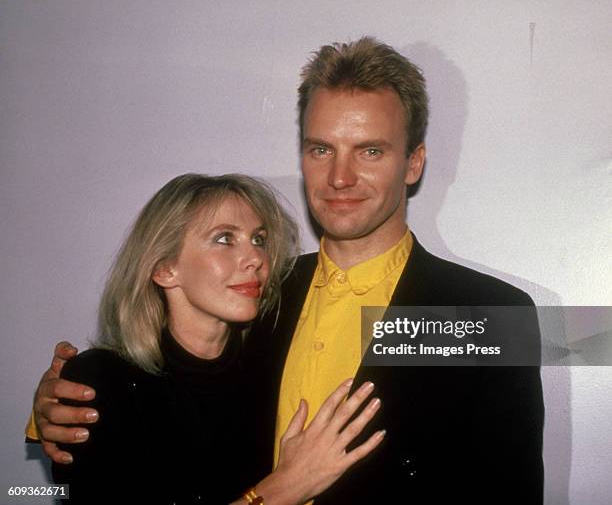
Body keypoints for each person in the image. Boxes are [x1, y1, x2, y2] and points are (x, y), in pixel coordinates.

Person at [29, 37, 544, 503]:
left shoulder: (490, 315)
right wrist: (56, 404)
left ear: (413, 163)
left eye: (369, 150)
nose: (340, 177)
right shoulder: (256, 296)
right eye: (322, 149)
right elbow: (166, 397)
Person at [42, 173, 385, 504]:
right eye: (225, 239)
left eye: (259, 240)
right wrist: (284, 489)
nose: (256, 259)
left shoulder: (268, 359)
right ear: (165, 268)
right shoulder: (99, 382)